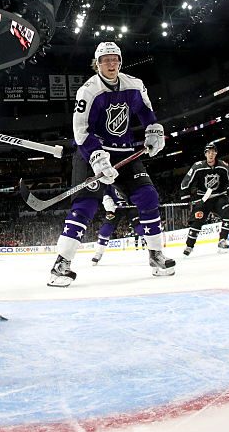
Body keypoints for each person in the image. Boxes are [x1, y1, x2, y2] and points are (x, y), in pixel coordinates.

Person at [48, 41, 174, 286]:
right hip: (91, 153)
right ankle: (60, 265)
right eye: (106, 60)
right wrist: (96, 157)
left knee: (148, 196)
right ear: (97, 64)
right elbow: (80, 132)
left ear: (120, 61)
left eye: (115, 59)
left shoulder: (134, 85)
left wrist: (154, 130)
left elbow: (146, 112)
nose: (111, 64)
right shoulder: (88, 91)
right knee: (85, 206)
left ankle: (156, 255)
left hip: (124, 153)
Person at [180, 141, 229, 255]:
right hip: (203, 198)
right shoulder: (198, 166)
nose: (211, 154)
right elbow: (186, 182)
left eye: (213, 152)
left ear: (216, 153)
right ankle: (189, 246)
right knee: (197, 221)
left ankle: (222, 240)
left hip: (219, 196)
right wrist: (185, 197)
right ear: (205, 154)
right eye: (208, 152)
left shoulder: (224, 166)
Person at [90, 188, 147, 265]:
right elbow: (106, 190)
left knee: (139, 226)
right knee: (106, 229)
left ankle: (154, 251)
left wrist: (138, 199)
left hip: (130, 206)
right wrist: (107, 199)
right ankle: (99, 252)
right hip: (114, 208)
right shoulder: (110, 179)